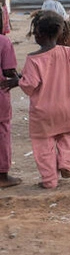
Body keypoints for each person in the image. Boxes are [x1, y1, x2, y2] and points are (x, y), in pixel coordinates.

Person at [15, 11, 70, 188]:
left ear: (37, 34)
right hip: (65, 108)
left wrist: (18, 79)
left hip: (42, 113)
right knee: (68, 135)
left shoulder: (33, 59)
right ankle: (66, 163)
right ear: (60, 32)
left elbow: (29, 86)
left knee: (43, 145)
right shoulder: (68, 53)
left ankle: (49, 180)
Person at [0, 25, 19, 187]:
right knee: (2, 133)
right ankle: (2, 176)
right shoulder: (4, 42)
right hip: (0, 97)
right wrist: (19, 78)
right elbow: (8, 71)